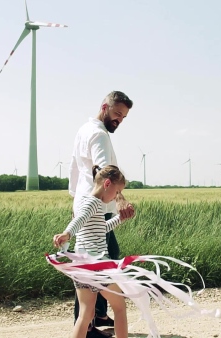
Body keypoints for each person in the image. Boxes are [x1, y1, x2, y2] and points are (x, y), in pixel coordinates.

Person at [68, 90, 135, 338]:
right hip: (100, 204)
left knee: (89, 264)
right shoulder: (99, 135)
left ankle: (93, 320)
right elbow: (104, 170)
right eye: (117, 113)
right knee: (105, 262)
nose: (119, 119)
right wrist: (120, 199)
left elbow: (75, 168)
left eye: (124, 117)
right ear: (104, 107)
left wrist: (76, 198)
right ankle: (91, 327)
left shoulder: (84, 130)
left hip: (85, 202)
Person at [54, 165, 133, 338]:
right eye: (117, 191)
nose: (117, 197)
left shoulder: (87, 202)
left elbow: (101, 228)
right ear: (107, 184)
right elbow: (79, 220)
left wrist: (120, 218)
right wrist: (67, 233)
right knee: (120, 307)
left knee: (85, 315)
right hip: (96, 265)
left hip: (81, 265)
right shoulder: (93, 203)